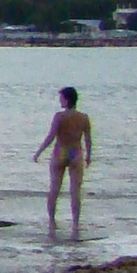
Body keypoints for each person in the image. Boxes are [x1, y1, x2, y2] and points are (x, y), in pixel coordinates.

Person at [33, 86, 94, 237]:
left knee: (54, 188)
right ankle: (75, 223)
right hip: (76, 153)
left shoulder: (59, 117)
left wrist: (39, 152)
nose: (60, 101)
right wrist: (89, 155)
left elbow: (51, 136)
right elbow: (87, 139)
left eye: (61, 98)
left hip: (61, 151)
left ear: (66, 100)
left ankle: (52, 221)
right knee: (75, 191)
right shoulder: (83, 118)